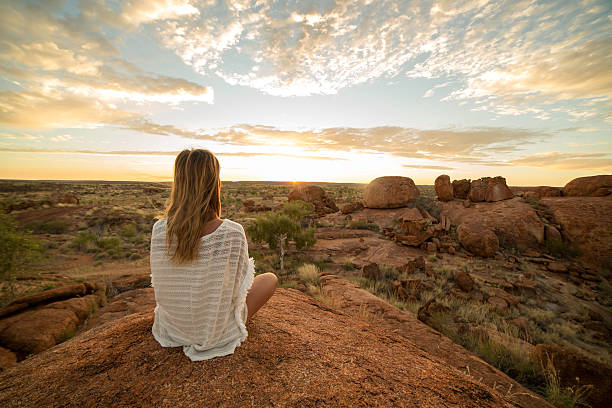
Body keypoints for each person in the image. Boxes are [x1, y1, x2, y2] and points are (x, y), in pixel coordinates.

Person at [150, 148, 277, 361]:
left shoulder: (159, 229)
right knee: (269, 279)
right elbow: (238, 291)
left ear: (178, 183)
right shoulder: (231, 232)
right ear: (213, 183)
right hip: (215, 333)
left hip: (171, 330)